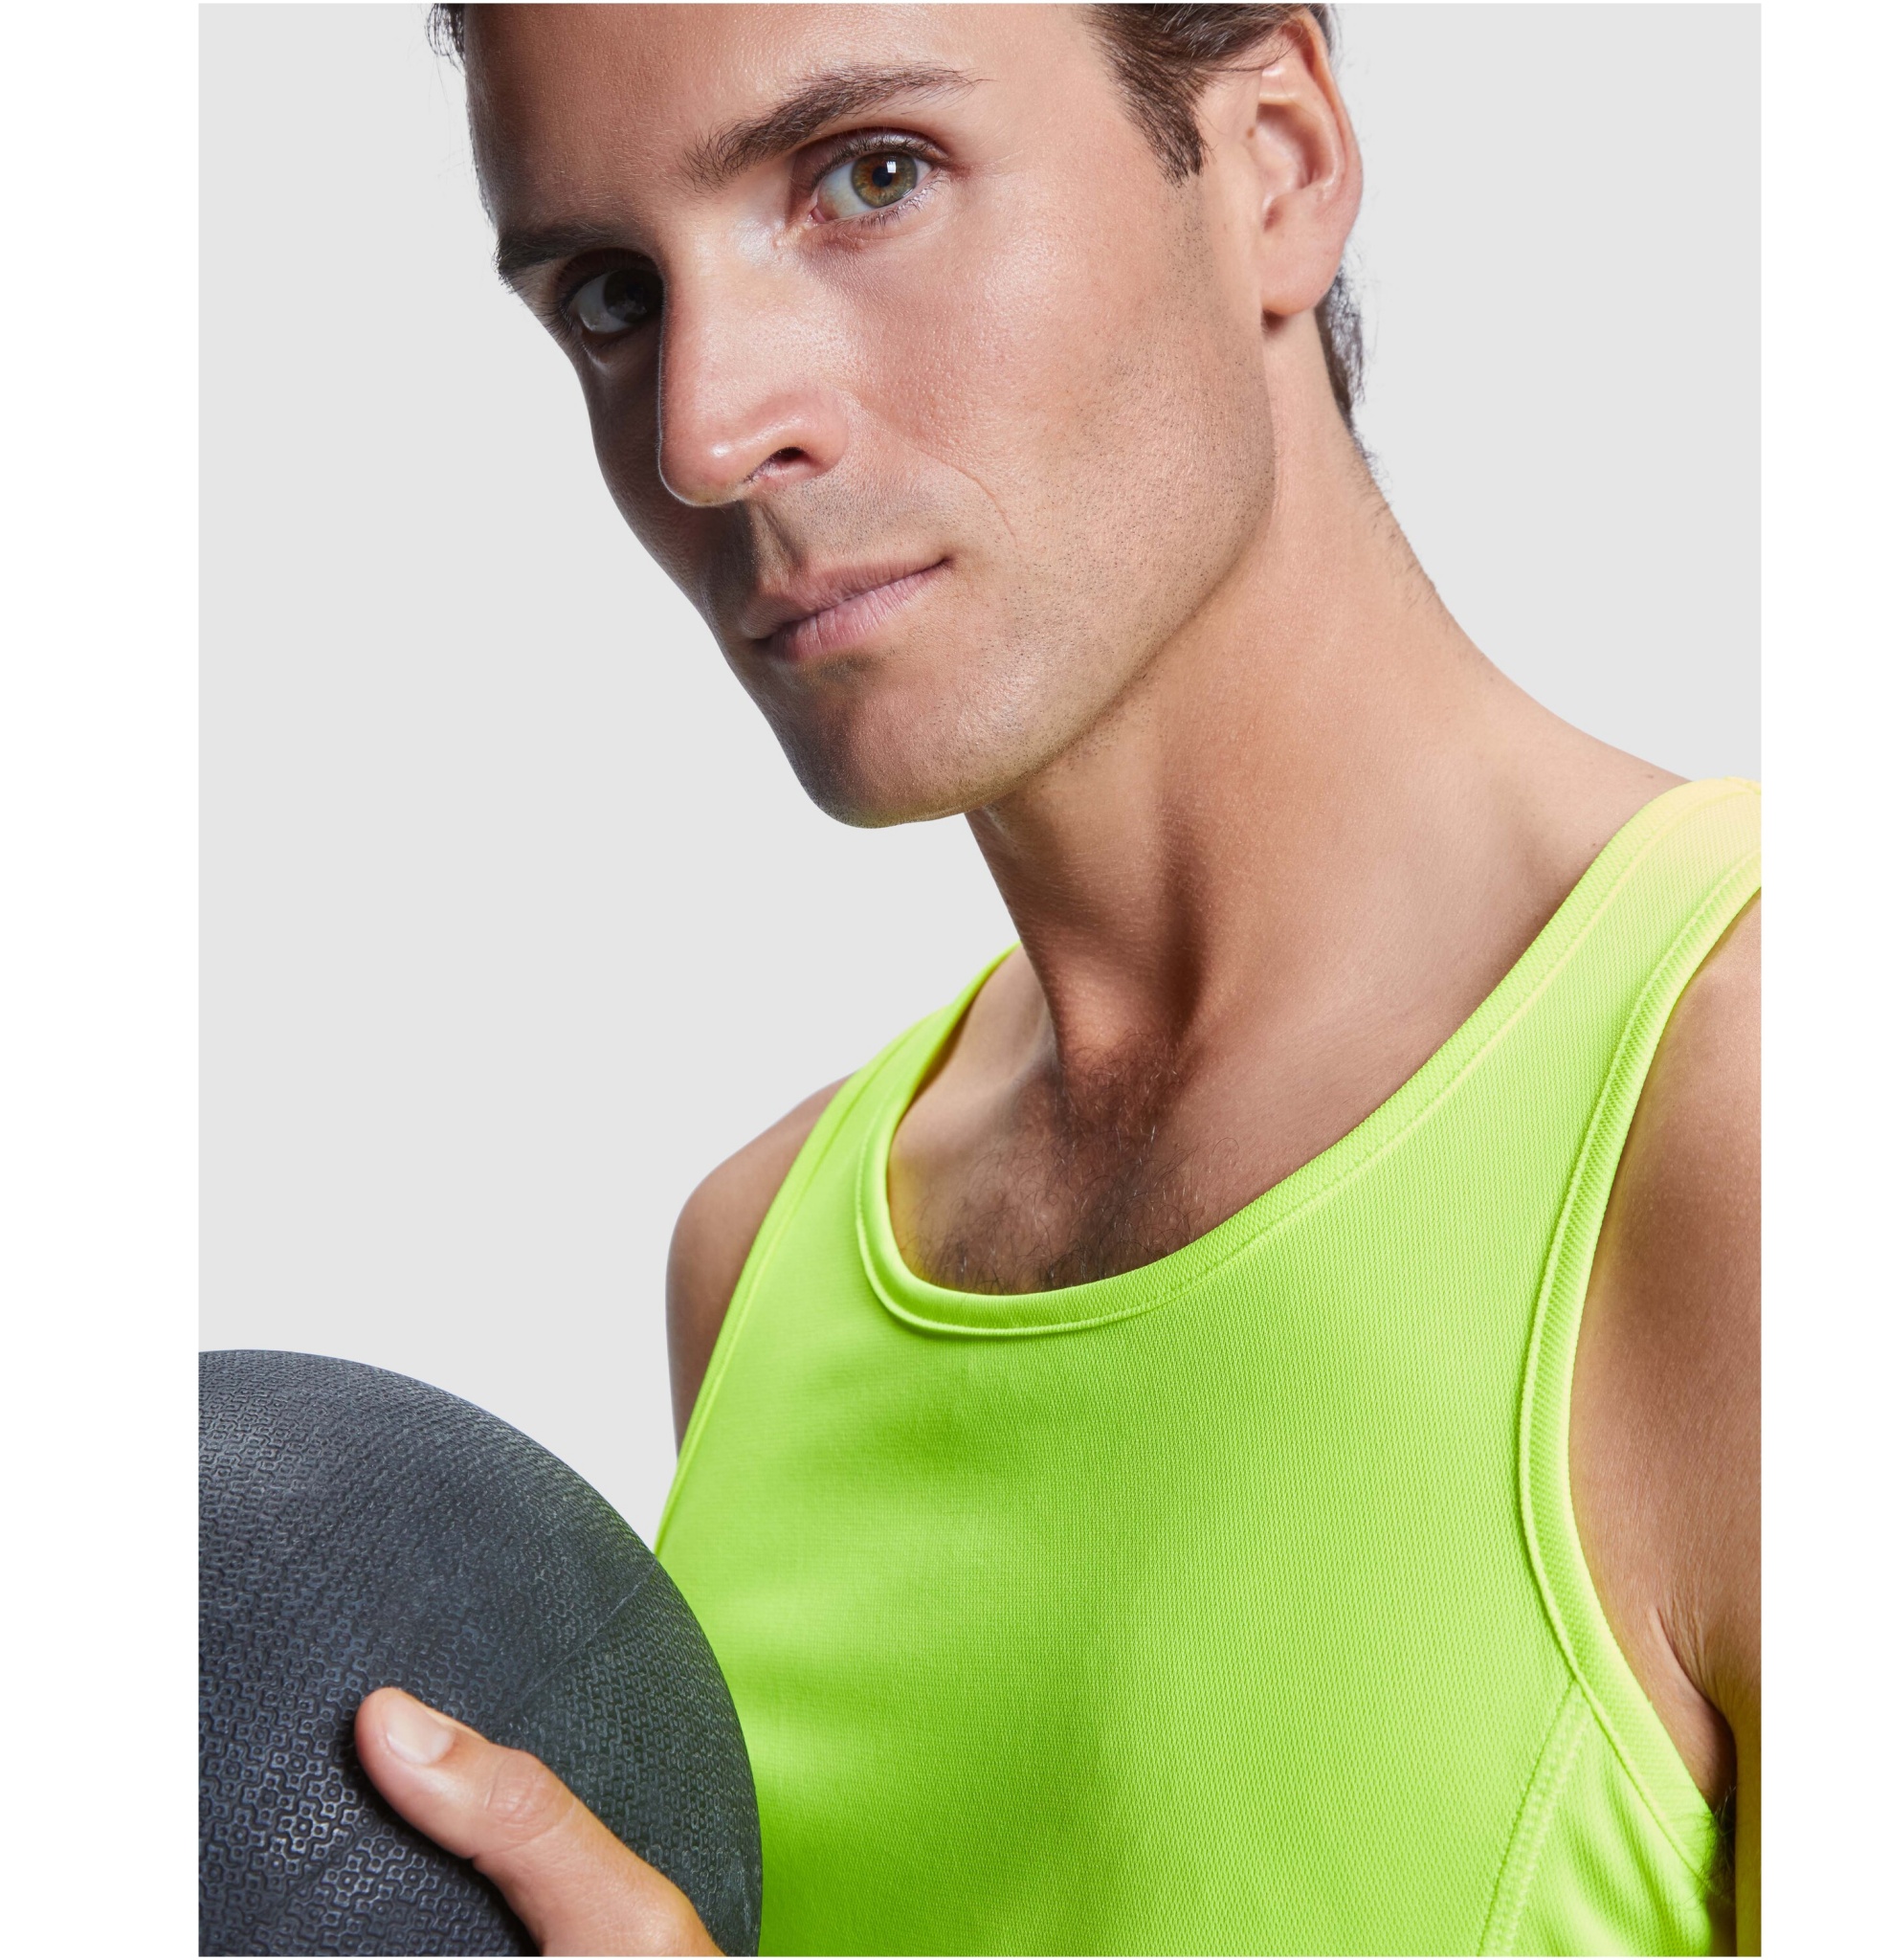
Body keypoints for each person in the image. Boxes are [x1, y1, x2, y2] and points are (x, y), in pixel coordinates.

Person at [351, 6, 1760, 1952]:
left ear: (1273, 163)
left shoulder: (1776, 1128)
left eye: (870, 178)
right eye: (610, 295)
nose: (704, 429)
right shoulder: (760, 1260)